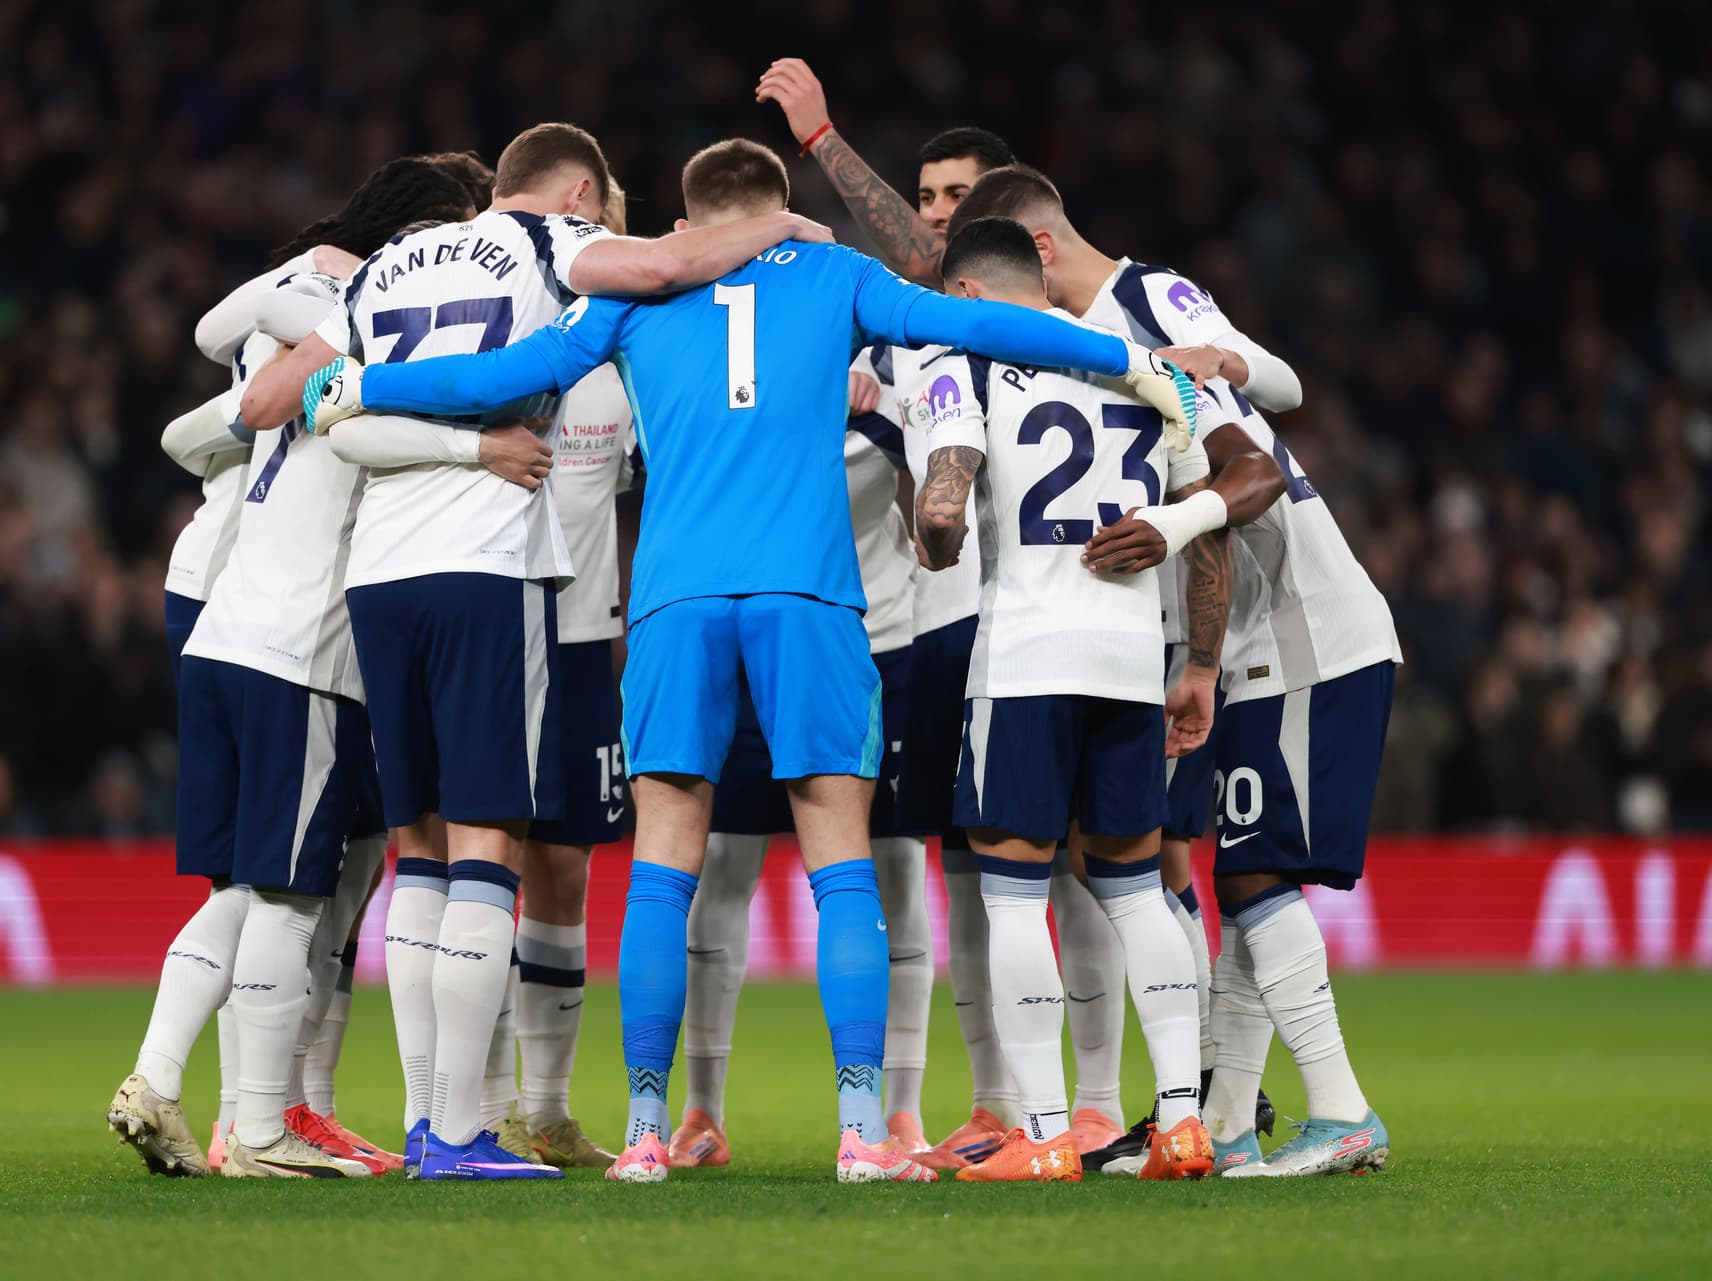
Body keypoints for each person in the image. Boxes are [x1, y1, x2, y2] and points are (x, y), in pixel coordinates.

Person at [303, 137, 1198, 1183]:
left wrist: (361, 384)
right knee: (842, 864)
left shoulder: (636, 293)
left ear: (689, 223)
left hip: (677, 600)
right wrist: (1130, 360)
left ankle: (645, 1132)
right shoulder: (839, 272)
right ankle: (865, 1132)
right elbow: (979, 319)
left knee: (661, 872)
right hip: (808, 596)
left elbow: (518, 373)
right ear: (785, 207)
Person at [239, 122, 829, 1181]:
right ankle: (459, 1133)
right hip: (486, 562)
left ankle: (433, 1118)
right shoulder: (546, 246)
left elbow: (275, 402)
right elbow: (665, 262)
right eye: (599, 204)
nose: (607, 222)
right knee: (488, 850)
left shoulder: (385, 268)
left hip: (378, 573)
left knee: (419, 850)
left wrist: (349, 368)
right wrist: (779, 224)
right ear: (570, 194)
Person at [755, 67, 1129, 1166]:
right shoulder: (907, 330)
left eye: (954, 196)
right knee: (971, 869)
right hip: (935, 630)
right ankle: (999, 1102)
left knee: (1076, 868)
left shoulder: (1026, 319)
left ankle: (1098, 1099)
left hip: (1039, 623)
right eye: (924, 194)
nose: (932, 215)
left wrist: (822, 136)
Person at [106, 158, 480, 1180]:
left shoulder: (293, 316)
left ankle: (168, 1083)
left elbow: (215, 356)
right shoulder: (377, 326)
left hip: (224, 627)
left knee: (250, 887)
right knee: (285, 895)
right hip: (304, 652)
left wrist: (300, 271)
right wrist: (477, 454)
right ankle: (257, 1128)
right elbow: (356, 433)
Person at [911, 217, 1285, 1181]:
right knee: (1135, 891)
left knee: (1013, 896)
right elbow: (1210, 527)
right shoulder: (1147, 366)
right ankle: (1180, 1124)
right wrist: (1197, 662)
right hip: (1128, 661)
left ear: (965, 295)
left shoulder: (964, 361)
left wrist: (937, 533)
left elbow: (947, 500)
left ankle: (1040, 1138)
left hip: (1026, 660)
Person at [668, 352, 928, 1168]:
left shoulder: (893, 382)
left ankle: (900, 1112)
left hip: (878, 646)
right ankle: (701, 1111)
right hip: (749, 645)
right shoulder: (744, 376)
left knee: (893, 880)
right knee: (721, 877)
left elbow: (934, 516)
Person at [477, 181, 640, 1172]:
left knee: (566, 867)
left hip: (587, 639)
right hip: (499, 623)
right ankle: (476, 1103)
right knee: (479, 855)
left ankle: (544, 1107)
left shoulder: (633, 351)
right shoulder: (502, 339)